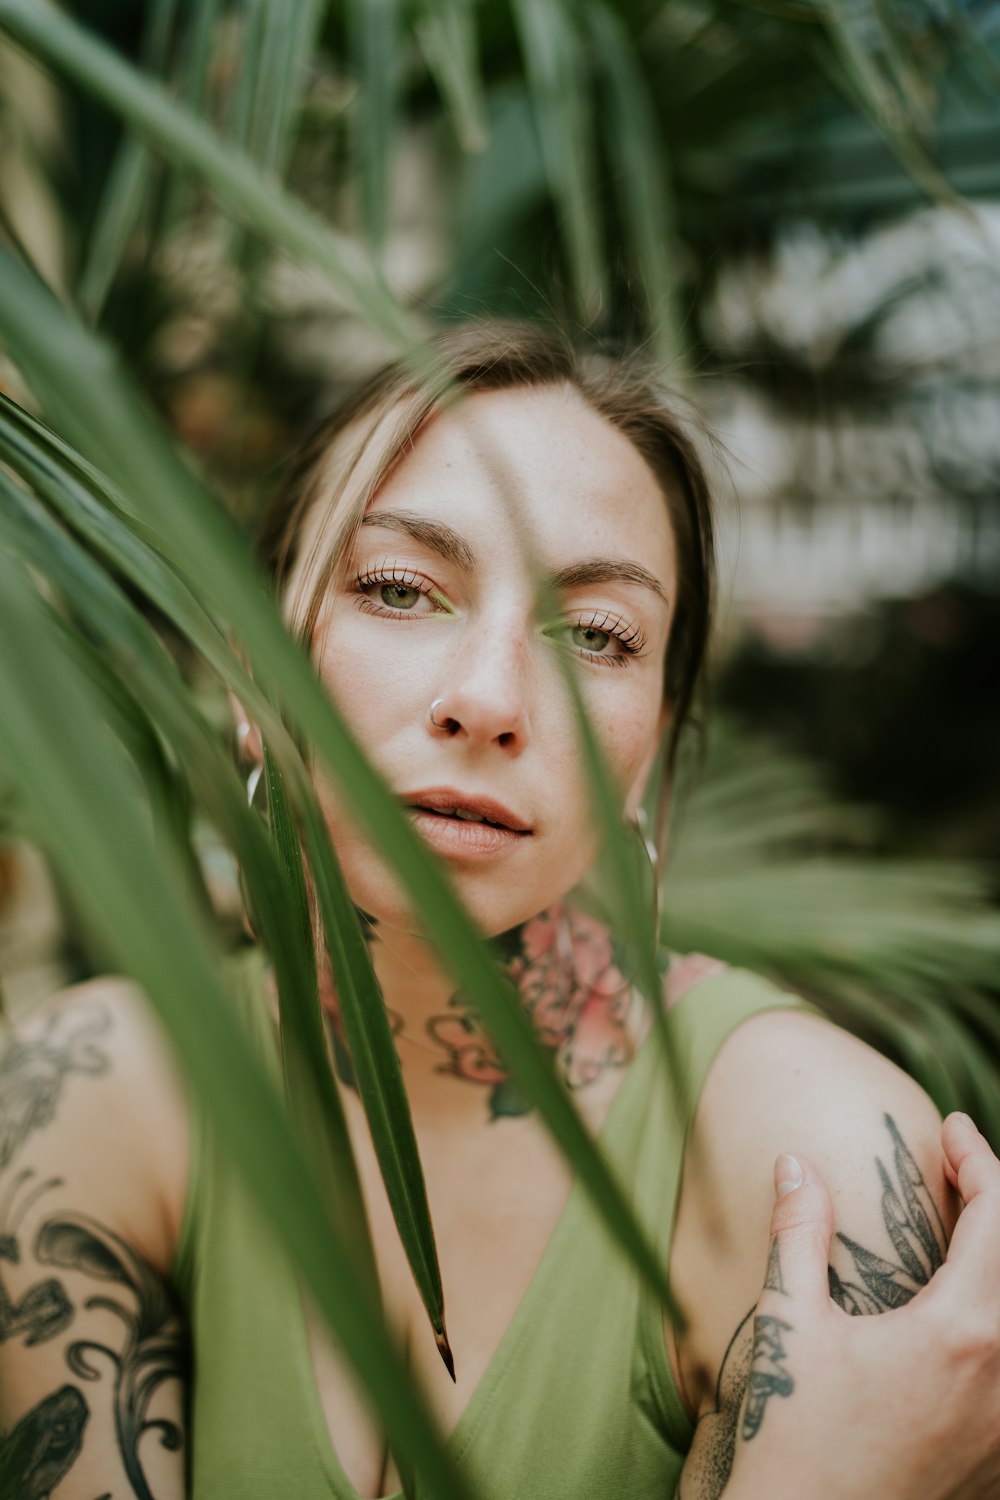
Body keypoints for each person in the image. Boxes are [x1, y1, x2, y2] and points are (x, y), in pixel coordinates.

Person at [1, 320, 998, 1500]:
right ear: (248, 673)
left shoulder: (809, 1161)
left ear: (649, 751)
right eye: (398, 588)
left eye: (595, 635)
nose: (486, 699)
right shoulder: (83, 1098)